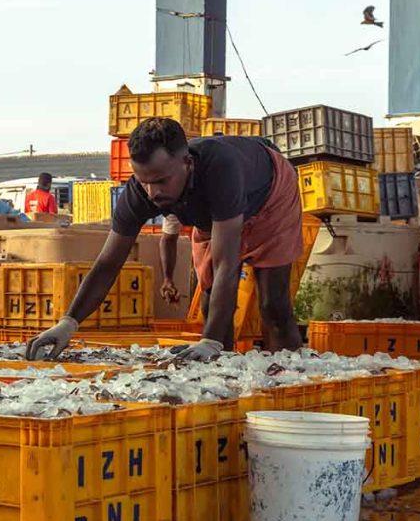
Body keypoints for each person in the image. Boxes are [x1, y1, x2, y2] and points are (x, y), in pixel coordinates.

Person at [26, 117, 303, 362]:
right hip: (212, 216)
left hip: (270, 199)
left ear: (187, 163)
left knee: (273, 304)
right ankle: (223, 375)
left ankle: (291, 378)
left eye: (160, 181)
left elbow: (227, 266)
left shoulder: (221, 168)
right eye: (143, 181)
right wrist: (68, 323)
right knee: (210, 302)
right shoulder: (140, 192)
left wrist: (210, 342)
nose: (152, 192)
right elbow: (108, 263)